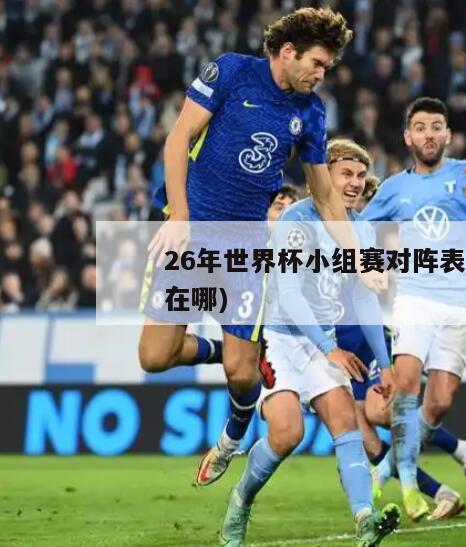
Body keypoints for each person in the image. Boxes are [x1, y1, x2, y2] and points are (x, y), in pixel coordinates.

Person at [136, 7, 366, 488]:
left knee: (243, 375)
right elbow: (178, 140)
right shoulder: (232, 71)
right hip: (191, 233)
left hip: (244, 247)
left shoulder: (310, 112)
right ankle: (227, 348)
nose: (321, 75)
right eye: (317, 64)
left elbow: (325, 197)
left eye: (327, 67)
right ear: (289, 52)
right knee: (155, 357)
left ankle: (234, 433)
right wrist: (179, 216)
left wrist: (358, 258)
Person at [218, 139, 400, 546]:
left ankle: (364, 518)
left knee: (345, 423)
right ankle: (240, 500)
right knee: (287, 433)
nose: (355, 183)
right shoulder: (296, 220)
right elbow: (289, 293)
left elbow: (365, 296)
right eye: (345, 173)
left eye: (360, 175)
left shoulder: (362, 229)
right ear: (324, 175)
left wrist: (385, 363)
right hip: (280, 340)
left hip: (324, 342)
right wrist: (328, 348)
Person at [360, 97, 466, 521]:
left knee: (438, 403)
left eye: (436, 126)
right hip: (415, 295)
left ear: (448, 134)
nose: (429, 134)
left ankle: (387, 469)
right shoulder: (394, 188)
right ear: (408, 137)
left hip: (461, 298)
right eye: (420, 127)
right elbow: (361, 227)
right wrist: (368, 263)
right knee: (405, 386)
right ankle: (404, 486)